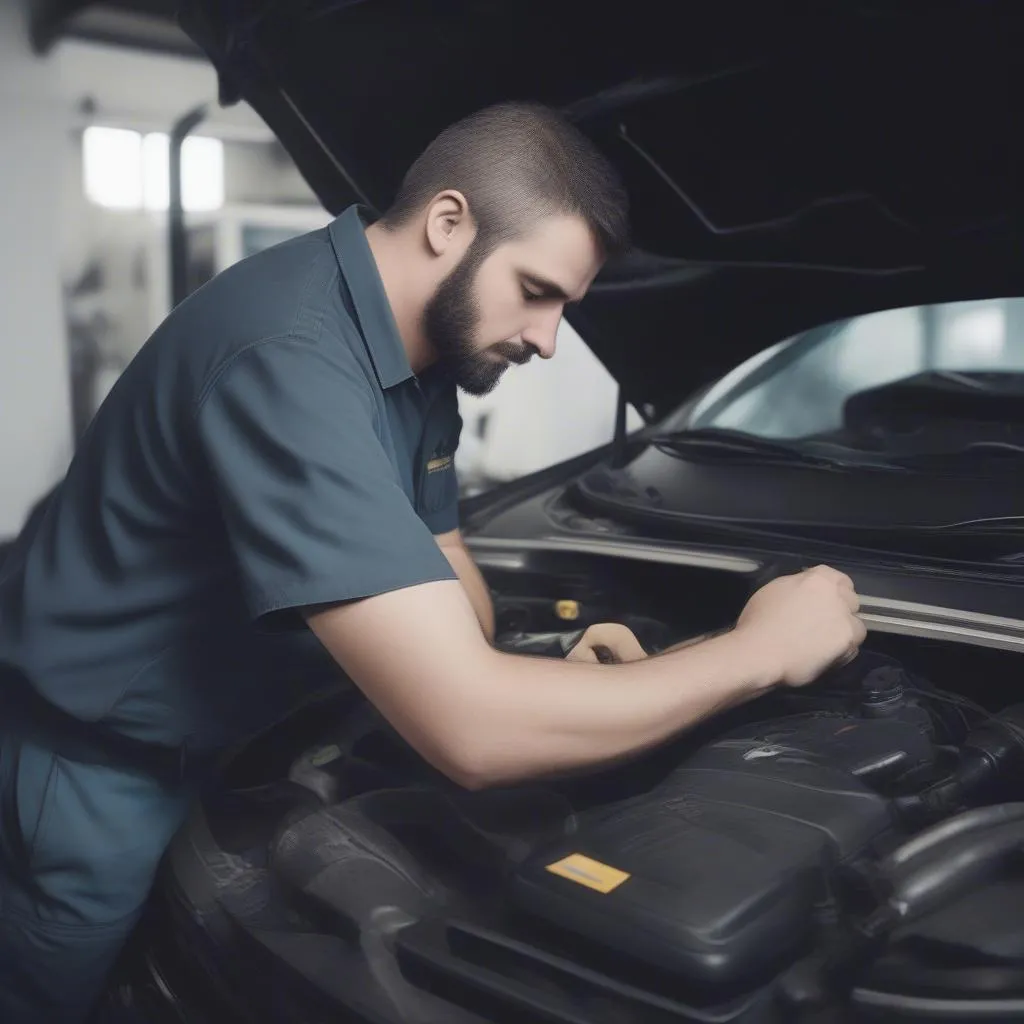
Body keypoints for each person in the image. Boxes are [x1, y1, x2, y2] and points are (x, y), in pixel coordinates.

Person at [0, 101, 866, 1022]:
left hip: (246, 734)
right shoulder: (289, 359)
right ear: (447, 223)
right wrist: (760, 649)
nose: (548, 338)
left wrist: (545, 691)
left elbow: (452, 580)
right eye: (537, 290)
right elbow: (474, 734)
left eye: (567, 306)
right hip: (103, 774)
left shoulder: (424, 362)